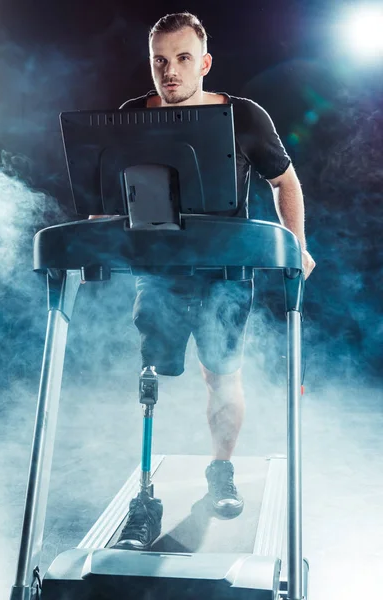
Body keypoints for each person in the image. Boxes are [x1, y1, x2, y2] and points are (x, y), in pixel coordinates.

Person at [90, 11, 315, 550]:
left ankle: (221, 470)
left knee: (221, 375)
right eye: (159, 61)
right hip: (160, 269)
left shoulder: (243, 116)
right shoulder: (132, 117)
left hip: (226, 271)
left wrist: (297, 245)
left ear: (204, 63)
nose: (170, 72)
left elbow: (286, 181)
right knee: (153, 374)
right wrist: (97, 228)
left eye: (182, 59)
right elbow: (109, 195)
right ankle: (146, 496)